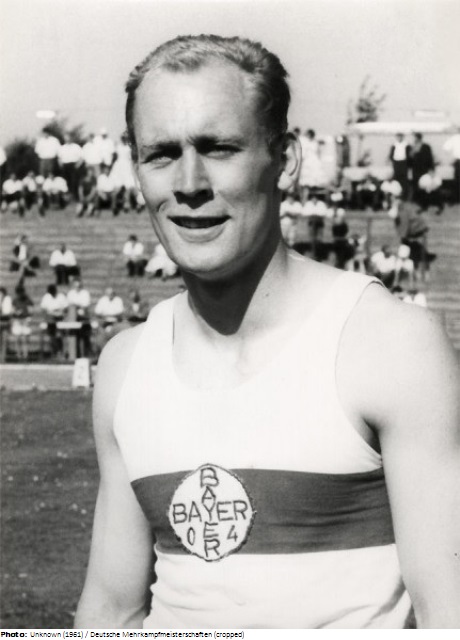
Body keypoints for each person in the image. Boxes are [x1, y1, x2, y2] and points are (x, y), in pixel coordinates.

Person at [76, 35, 460, 629]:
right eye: (161, 154)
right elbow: (111, 611)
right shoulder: (126, 365)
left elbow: (449, 615)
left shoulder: (390, 345)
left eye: (219, 148)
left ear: (286, 159)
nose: (189, 182)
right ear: (136, 170)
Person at [410, 133, 434, 205]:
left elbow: (430, 158)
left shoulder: (426, 146)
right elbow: (410, 159)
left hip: (424, 168)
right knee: (416, 184)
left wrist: (431, 168)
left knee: (424, 183)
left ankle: (425, 200)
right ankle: (417, 199)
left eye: (415, 138)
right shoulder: (413, 147)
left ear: (419, 138)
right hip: (415, 169)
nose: (414, 139)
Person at [388, 133, 411, 198]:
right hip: (396, 163)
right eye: (398, 137)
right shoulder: (394, 145)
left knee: (404, 180)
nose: (399, 138)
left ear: (402, 137)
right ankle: (396, 194)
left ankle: (404, 196)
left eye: (400, 137)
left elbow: (409, 156)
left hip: (404, 164)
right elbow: (391, 155)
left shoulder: (406, 145)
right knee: (396, 179)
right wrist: (394, 161)